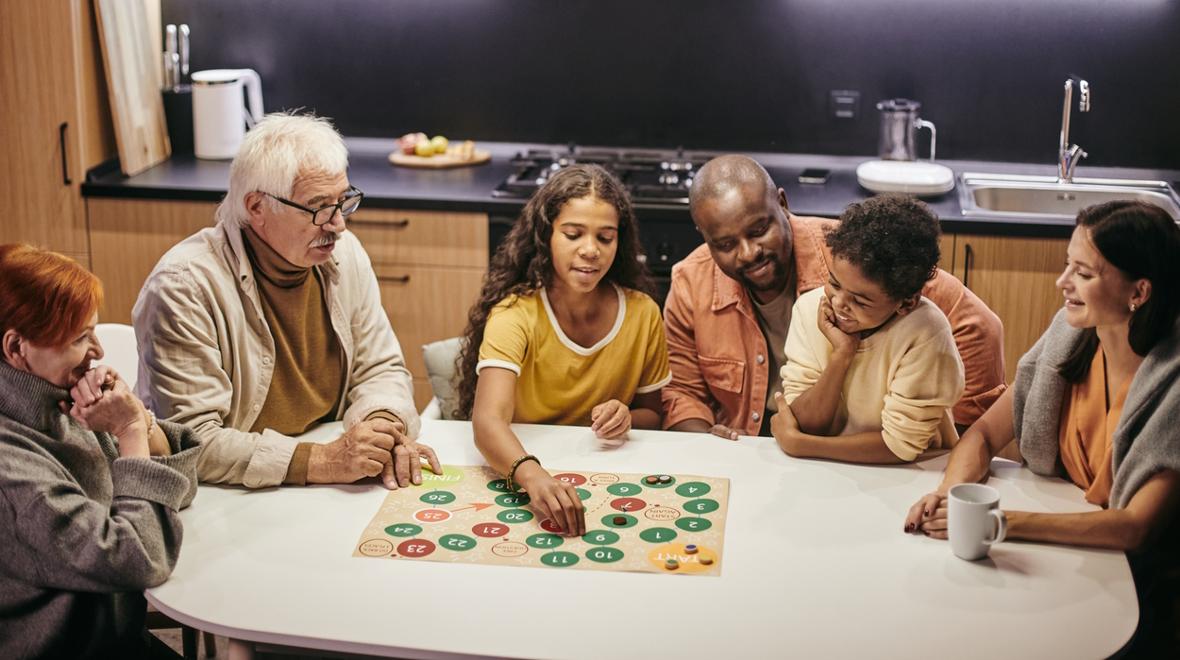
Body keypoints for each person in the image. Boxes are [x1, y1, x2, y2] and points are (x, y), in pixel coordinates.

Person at [904, 201, 1180, 650]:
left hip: (1129, 584)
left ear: (1139, 292)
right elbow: (983, 434)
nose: (1062, 282)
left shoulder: (1172, 386)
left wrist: (999, 523)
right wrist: (949, 497)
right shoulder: (1069, 339)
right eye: (1066, 264)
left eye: (1084, 273)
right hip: (1056, 553)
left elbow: (1134, 527)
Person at [133, 112, 439, 490]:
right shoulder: (183, 287)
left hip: (326, 480)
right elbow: (192, 441)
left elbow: (380, 368)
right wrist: (324, 460)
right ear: (257, 207)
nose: (338, 225)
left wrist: (381, 425)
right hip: (229, 496)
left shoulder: (346, 254)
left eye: (343, 202)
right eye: (317, 207)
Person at [662, 155, 1005, 439]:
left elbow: (977, 326)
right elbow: (682, 394)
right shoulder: (691, 283)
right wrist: (705, 440)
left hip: (857, 447)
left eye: (758, 230)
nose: (749, 252)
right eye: (725, 244)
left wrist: (964, 436)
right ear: (704, 236)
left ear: (782, 204)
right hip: (750, 445)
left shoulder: (849, 254)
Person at [0, 244, 201, 658]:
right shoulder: (11, 471)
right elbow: (140, 558)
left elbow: (178, 491)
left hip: (117, 638)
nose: (99, 351)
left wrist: (139, 424)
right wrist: (128, 431)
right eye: (79, 338)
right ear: (16, 348)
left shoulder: (60, 399)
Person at [456, 164, 670, 537]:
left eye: (605, 238)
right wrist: (535, 478)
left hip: (603, 471)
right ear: (546, 236)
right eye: (573, 234)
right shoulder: (515, 314)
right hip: (523, 469)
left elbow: (654, 412)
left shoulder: (644, 314)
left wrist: (627, 416)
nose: (590, 250)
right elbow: (487, 423)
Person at [771, 196, 965, 463]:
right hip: (832, 469)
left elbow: (900, 446)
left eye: (860, 300)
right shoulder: (809, 309)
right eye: (834, 284)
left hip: (916, 473)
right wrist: (842, 355)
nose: (839, 304)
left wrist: (804, 445)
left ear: (906, 303)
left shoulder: (925, 333)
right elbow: (806, 423)